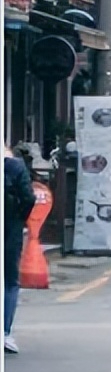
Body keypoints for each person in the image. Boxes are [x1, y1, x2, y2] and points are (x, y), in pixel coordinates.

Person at [4, 145, 36, 354]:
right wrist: (19, 220)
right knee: (9, 283)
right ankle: (5, 332)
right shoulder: (15, 167)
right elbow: (29, 198)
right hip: (9, 230)